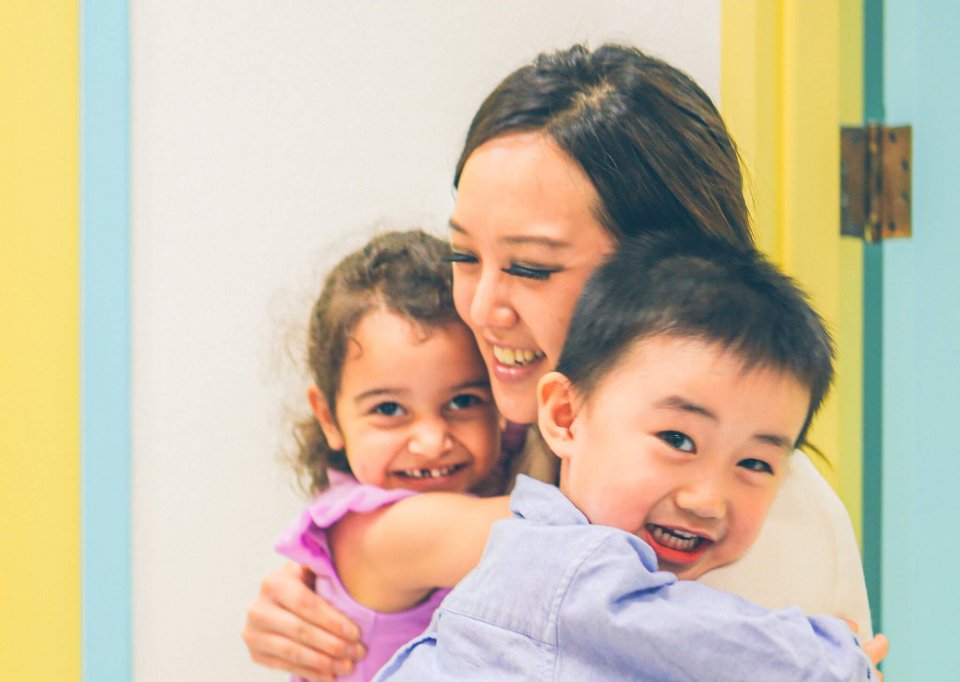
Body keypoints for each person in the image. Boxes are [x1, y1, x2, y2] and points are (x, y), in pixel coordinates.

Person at [243, 43, 873, 680]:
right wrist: (324, 577)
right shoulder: (519, 439)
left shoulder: (738, 518)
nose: (483, 307)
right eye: (464, 257)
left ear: (672, 277)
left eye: (532, 267)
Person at [376, 235, 886, 681]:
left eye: (755, 464)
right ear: (565, 417)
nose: (708, 499)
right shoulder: (570, 572)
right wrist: (836, 657)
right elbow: (708, 643)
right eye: (677, 440)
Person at [274, 230, 509, 680]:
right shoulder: (375, 531)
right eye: (388, 409)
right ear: (328, 417)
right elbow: (551, 531)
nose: (431, 440)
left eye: (463, 401)